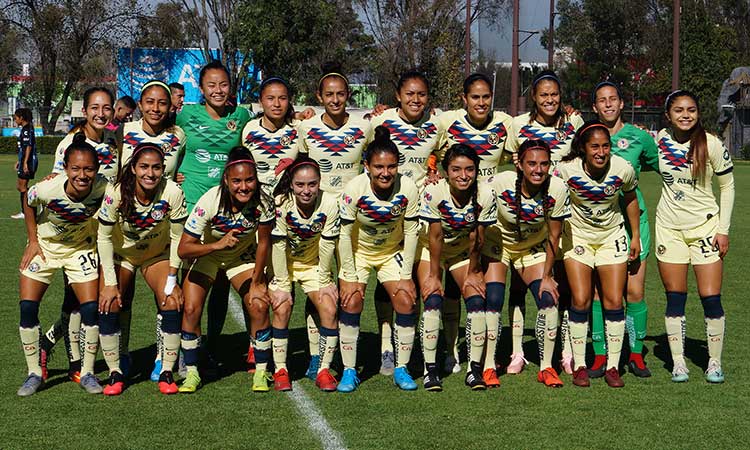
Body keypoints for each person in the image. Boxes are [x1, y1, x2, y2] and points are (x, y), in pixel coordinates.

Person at [504, 70, 584, 375]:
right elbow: (508, 161)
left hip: (565, 213)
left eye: (554, 94)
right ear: (534, 98)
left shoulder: (574, 123)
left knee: (559, 284)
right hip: (525, 216)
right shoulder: (517, 125)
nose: (549, 100)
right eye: (543, 95)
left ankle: (565, 350)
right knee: (517, 288)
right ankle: (516, 352)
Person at [176, 60, 253, 372]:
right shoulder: (185, 115)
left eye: (223, 84)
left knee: (221, 281)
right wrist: (173, 177)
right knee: (189, 280)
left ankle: (212, 342)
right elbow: (166, 146)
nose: (218, 90)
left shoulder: (242, 116)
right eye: (212, 85)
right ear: (201, 88)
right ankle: (184, 348)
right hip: (192, 207)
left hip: (229, 210)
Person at [16, 133, 108, 396]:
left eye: (89, 169)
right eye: (76, 168)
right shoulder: (48, 188)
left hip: (80, 249)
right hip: (45, 248)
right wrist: (32, 240)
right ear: (65, 168)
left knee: (91, 310)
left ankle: (87, 372)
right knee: (27, 308)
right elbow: (28, 199)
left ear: (97, 169)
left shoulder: (104, 187)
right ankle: (34, 373)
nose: (82, 175)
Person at [177, 147, 274, 393]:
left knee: (258, 303)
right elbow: (184, 249)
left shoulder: (263, 200)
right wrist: (216, 245)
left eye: (249, 180)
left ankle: (261, 372)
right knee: (190, 308)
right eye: (237, 181)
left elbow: (264, 242)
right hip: (207, 256)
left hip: (240, 258)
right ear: (226, 181)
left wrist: (257, 281)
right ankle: (192, 373)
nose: (244, 187)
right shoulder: (210, 200)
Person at [437, 72, 513, 377]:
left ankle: (486, 356)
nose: (481, 103)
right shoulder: (446, 122)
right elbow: (420, 139)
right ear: (464, 99)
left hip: (487, 217)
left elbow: (537, 126)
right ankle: (450, 351)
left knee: (483, 290)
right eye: (475, 97)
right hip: (448, 213)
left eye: (486, 97)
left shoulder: (506, 123)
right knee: (449, 289)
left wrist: (568, 115)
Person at [96, 142, 187, 395]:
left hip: (155, 255)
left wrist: (172, 278)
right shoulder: (116, 192)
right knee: (110, 302)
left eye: (156, 167)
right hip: (121, 255)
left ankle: (166, 370)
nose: (150, 173)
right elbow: (103, 238)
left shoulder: (172, 192)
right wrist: (110, 284)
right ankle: (116, 371)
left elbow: (178, 237)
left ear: (163, 170)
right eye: (144, 167)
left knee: (171, 300)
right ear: (133, 168)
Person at [656, 90, 734, 383]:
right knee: (675, 299)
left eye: (691, 109)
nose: (685, 115)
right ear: (668, 115)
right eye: (678, 110)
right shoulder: (659, 140)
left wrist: (723, 229)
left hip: (705, 229)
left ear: (698, 113)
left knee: (710, 298)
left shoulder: (711, 144)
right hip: (669, 230)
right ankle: (679, 363)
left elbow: (728, 187)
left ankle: (714, 362)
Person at [555, 120, 640, 388]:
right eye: (595, 147)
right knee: (580, 299)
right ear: (583, 148)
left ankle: (613, 367)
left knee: (614, 301)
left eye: (606, 146)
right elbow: (550, 198)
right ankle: (580, 364)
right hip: (577, 237)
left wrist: (634, 235)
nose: (601, 152)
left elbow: (630, 199)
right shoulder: (565, 171)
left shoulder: (622, 169)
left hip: (611, 237)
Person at [369, 70, 442, 376]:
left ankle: (420, 351)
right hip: (386, 214)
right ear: (397, 95)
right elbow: (368, 157)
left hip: (422, 215)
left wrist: (437, 170)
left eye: (422, 94)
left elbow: (444, 151)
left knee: (418, 281)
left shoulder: (437, 124)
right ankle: (387, 345)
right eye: (409, 94)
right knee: (388, 283)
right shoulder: (380, 122)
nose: (416, 100)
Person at [43, 87, 118, 383]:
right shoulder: (69, 144)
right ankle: (76, 363)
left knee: (93, 299)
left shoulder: (113, 142)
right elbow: (56, 186)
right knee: (75, 299)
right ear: (84, 111)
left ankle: (48, 343)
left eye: (106, 108)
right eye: (94, 108)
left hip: (105, 233)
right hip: (76, 236)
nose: (101, 114)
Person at [337, 126, 420, 392]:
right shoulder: (354, 188)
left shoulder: (407, 187)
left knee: (406, 301)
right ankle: (350, 371)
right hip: (358, 253)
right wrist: (349, 277)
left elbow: (410, 231)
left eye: (391, 167)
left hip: (389, 253)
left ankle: (401, 368)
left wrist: (406, 276)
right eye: (378, 167)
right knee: (351, 302)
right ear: (366, 166)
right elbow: (344, 235)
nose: (385, 173)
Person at [484, 139, 570, 388]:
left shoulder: (557, 188)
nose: (538, 169)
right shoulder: (499, 183)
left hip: (531, 249)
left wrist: (546, 275)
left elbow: (554, 235)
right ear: (519, 164)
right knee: (494, 298)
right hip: (497, 245)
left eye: (544, 164)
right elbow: (470, 191)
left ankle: (546, 367)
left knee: (548, 298)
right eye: (531, 163)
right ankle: (489, 365)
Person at [588, 81, 659, 378]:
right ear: (595, 107)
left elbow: (667, 169)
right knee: (597, 293)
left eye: (612, 99)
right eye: (602, 100)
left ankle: (635, 353)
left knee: (634, 290)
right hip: (598, 224)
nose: (607, 104)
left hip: (633, 222)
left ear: (621, 103)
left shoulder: (639, 138)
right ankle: (600, 355)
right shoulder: (587, 138)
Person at [417, 144, 496, 391]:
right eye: (456, 169)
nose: (463, 176)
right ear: (446, 171)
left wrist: (474, 272)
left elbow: (478, 238)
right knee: (432, 298)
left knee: (476, 300)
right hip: (431, 251)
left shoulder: (484, 194)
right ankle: (430, 370)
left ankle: (474, 370)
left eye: (470, 169)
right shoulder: (433, 192)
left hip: (462, 251)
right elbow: (436, 237)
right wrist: (433, 275)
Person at [269, 156, 340, 392]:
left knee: (328, 306)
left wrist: (325, 282)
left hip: (312, 264)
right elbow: (278, 246)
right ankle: (281, 369)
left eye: (312, 184)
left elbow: (327, 245)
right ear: (291, 184)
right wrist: (281, 285)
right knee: (282, 306)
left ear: (320, 182)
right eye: (300, 185)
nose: (306, 190)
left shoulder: (329, 203)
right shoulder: (281, 203)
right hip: (283, 265)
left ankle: (322, 369)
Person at [298, 68, 372, 194]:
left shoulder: (364, 127)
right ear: (319, 96)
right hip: (319, 203)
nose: (335, 100)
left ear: (348, 94)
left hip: (353, 201)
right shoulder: (306, 127)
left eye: (340, 94)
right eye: (329, 94)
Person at [122, 80, 185, 179]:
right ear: (140, 105)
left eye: (162, 103)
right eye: (150, 102)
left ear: (169, 107)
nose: (155, 108)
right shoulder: (123, 131)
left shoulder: (178, 134)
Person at [11, 108, 38, 219]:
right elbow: (23, 147)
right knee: (21, 186)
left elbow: (28, 146)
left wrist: (25, 162)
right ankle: (28, 207)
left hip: (29, 162)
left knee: (22, 187)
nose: (15, 120)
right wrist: (20, 160)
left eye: (15, 118)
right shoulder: (25, 129)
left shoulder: (27, 129)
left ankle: (27, 211)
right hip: (24, 161)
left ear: (21, 118)